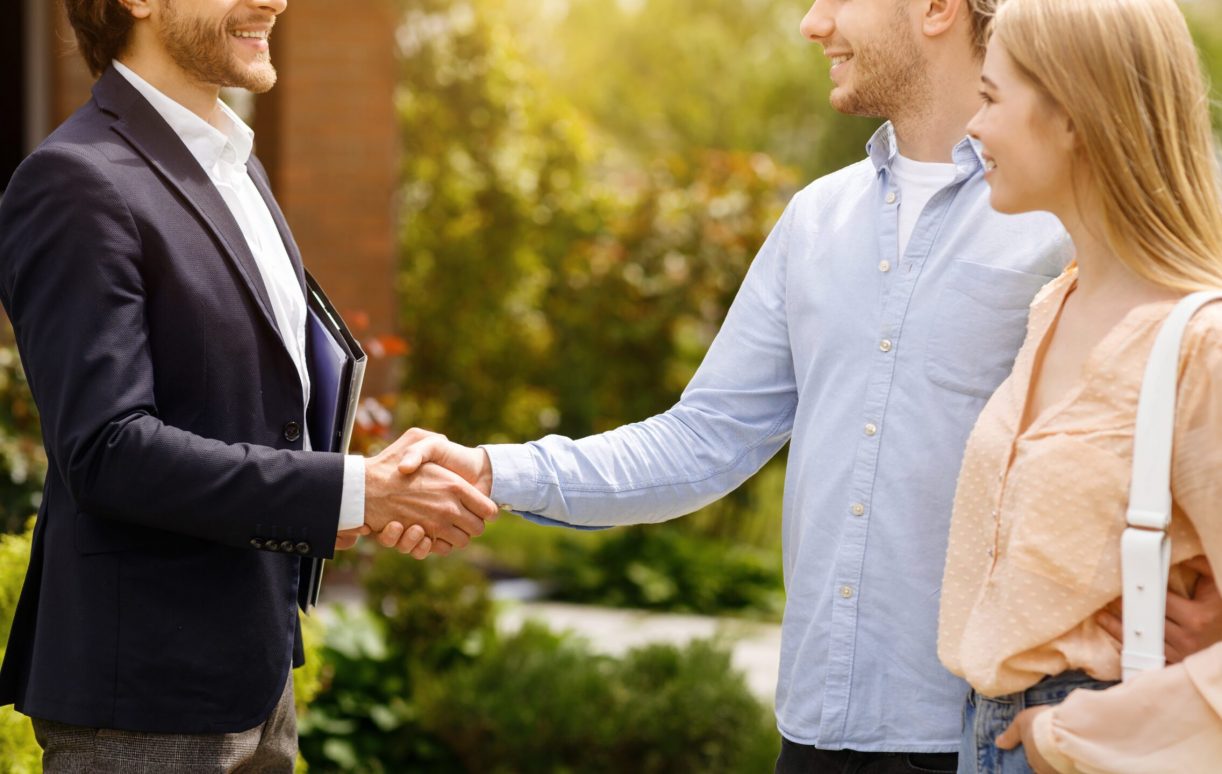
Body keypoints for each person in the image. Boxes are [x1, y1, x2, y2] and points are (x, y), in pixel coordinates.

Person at [383, 0, 1219, 770]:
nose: (813, 23)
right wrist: (495, 471)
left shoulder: (1072, 217)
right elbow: (705, 437)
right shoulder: (819, 219)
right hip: (817, 728)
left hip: (987, 732)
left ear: (934, 7)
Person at [0, 0, 496, 769]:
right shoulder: (75, 181)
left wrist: (361, 494)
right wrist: (355, 491)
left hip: (258, 673)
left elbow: (260, 414)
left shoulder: (238, 166)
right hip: (143, 700)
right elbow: (107, 450)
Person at [935, 0, 1222, 770]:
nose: (973, 127)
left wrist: (1071, 735)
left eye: (992, 98)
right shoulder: (1053, 304)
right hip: (987, 737)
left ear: (1074, 114)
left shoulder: (1202, 343)